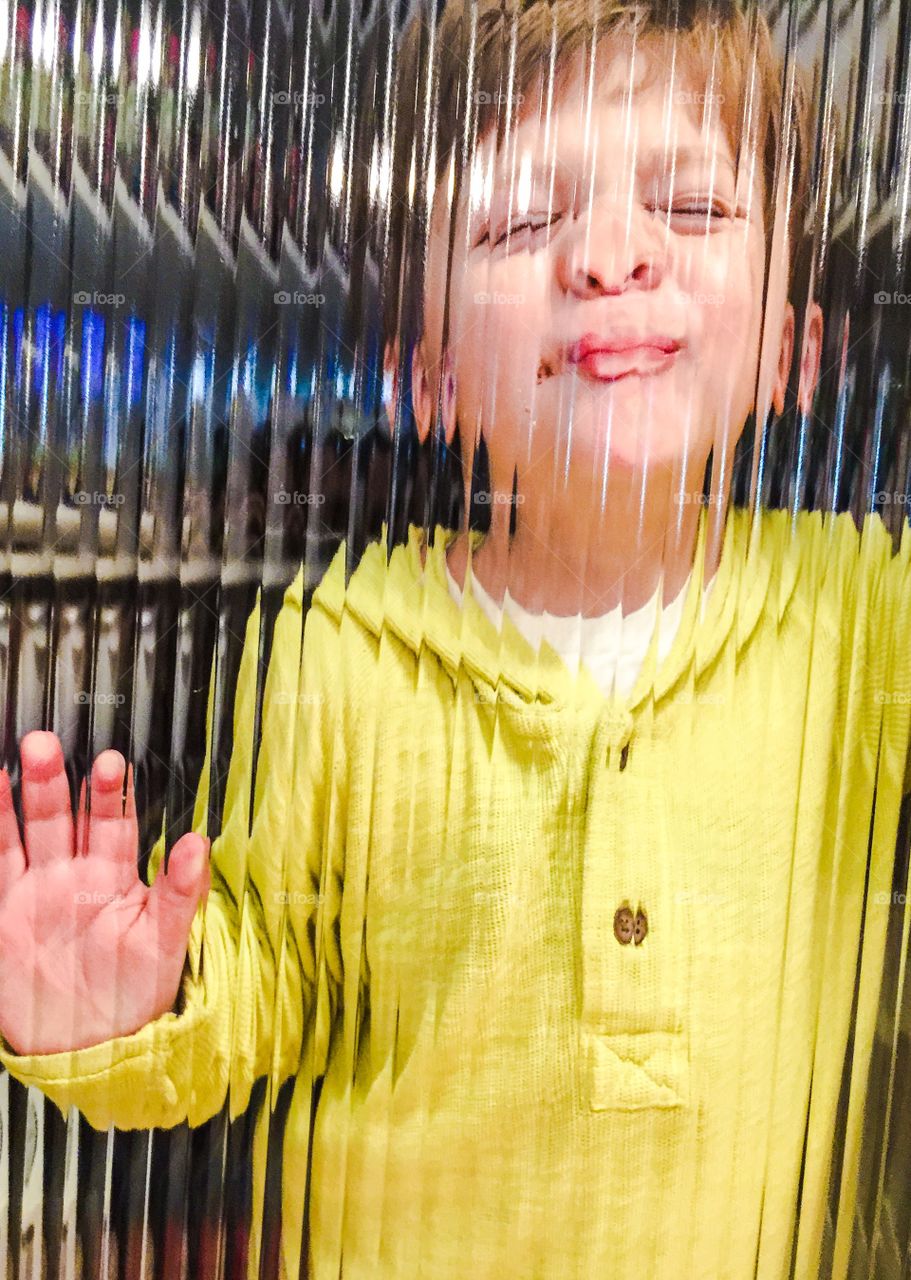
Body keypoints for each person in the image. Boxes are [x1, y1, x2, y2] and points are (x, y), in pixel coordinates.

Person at [1, 2, 910, 1277]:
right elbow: (274, 975)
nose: (604, 256)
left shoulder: (867, 618)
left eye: (692, 211)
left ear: (793, 353)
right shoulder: (343, 643)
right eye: (519, 222)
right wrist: (121, 1014)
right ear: (424, 372)